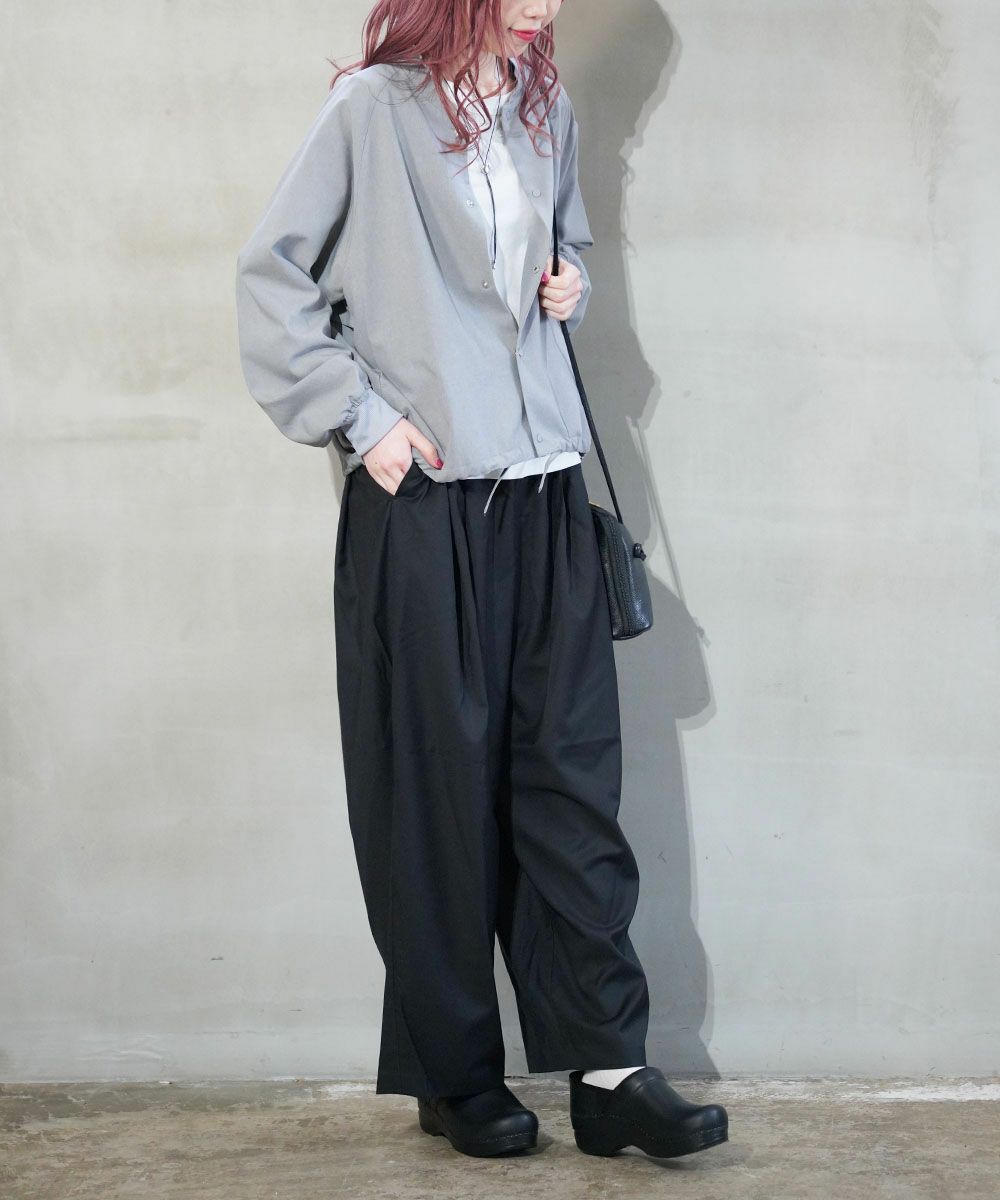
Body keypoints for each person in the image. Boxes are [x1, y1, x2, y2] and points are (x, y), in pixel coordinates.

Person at [235, 0, 728, 1161]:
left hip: (547, 492)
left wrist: (571, 286)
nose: (545, 1)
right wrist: (364, 422)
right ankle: (454, 1076)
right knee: (435, 800)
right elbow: (272, 280)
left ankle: (609, 1070)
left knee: (571, 791)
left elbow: (561, 252)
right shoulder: (371, 112)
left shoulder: (542, 107)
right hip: (429, 506)